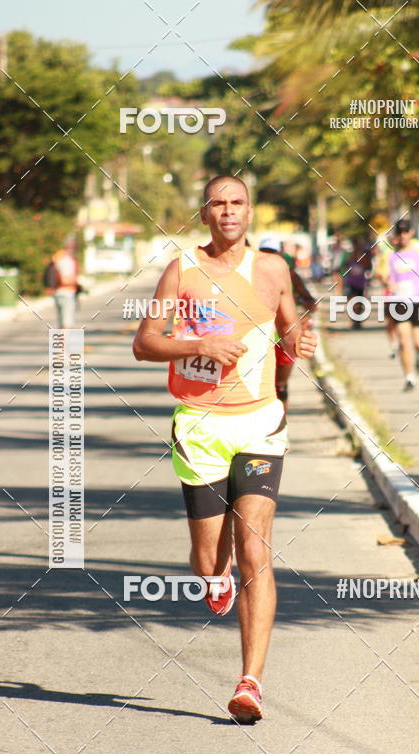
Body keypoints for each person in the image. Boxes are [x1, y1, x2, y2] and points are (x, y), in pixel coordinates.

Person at [132, 176, 317, 723]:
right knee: (212, 560)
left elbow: (290, 335)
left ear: (250, 212)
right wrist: (199, 344)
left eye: (237, 203)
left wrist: (299, 340)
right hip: (199, 428)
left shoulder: (272, 269)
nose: (228, 211)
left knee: (255, 550)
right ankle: (216, 579)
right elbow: (145, 343)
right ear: (205, 212)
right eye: (219, 203)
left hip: (260, 424)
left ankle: (250, 683)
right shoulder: (182, 269)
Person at [258, 235, 316, 411]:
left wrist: (293, 302)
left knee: (280, 387)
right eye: (264, 253)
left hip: (284, 337)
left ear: (280, 254)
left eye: (273, 253)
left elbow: (311, 303)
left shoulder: (289, 275)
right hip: (260, 338)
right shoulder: (249, 274)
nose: (269, 257)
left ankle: (280, 426)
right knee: (261, 387)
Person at [385, 219, 419, 391]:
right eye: (399, 233)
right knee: (404, 341)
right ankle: (409, 377)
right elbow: (382, 273)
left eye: (405, 232)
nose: (403, 236)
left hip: (418, 301)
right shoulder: (389, 254)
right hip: (399, 302)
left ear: (411, 233)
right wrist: (387, 282)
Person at [342, 238, 372, 330]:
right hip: (351, 282)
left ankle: (358, 321)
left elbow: (369, 267)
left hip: (360, 283)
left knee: (359, 302)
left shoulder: (364, 256)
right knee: (352, 302)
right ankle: (353, 320)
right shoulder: (349, 255)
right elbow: (344, 265)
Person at [50, 241, 79, 328]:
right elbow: (65, 279)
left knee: (61, 323)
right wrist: (77, 283)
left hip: (58, 292)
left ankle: (60, 341)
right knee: (67, 325)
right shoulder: (67, 261)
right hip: (67, 293)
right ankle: (65, 342)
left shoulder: (58, 259)